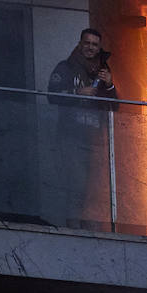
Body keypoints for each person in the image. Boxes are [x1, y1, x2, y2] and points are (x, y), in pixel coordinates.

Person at [46, 28, 116, 227]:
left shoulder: (103, 73)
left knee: (94, 191)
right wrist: (78, 92)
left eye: (95, 44)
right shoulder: (65, 68)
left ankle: (90, 231)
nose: (90, 47)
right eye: (87, 43)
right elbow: (52, 95)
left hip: (95, 140)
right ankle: (75, 232)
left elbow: (114, 106)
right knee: (76, 186)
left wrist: (110, 85)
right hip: (71, 138)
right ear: (80, 44)